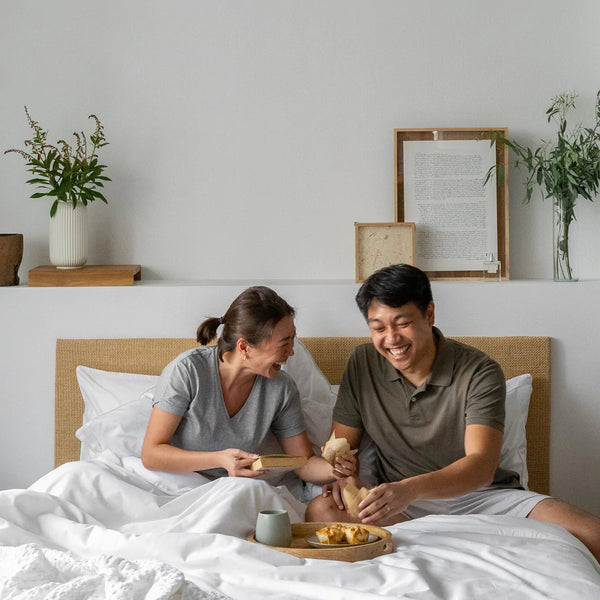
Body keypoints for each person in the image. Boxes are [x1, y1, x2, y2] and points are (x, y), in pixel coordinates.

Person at [305, 264, 600, 562]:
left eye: (402, 323)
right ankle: (433, 551)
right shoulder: (363, 363)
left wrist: (408, 489)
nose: (391, 338)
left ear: (429, 314)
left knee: (593, 535)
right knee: (321, 511)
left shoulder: (479, 371)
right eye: (378, 328)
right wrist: (344, 475)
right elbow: (343, 445)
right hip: (401, 508)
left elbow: (481, 466)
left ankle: (433, 550)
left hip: (485, 499)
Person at [142, 285, 355, 486]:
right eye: (284, 343)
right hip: (180, 484)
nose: (291, 352)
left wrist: (333, 470)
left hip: (238, 489)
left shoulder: (281, 389)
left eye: (293, 340)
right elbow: (151, 454)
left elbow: (303, 461)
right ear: (244, 347)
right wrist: (220, 459)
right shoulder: (188, 371)